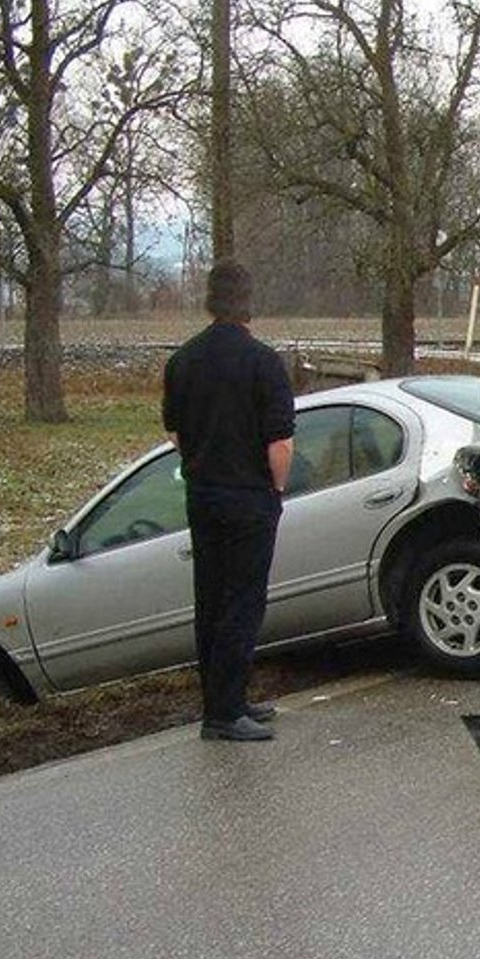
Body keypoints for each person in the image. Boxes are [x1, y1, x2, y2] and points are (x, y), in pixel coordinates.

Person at [162, 262, 295, 742]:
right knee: (243, 603)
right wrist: (276, 489)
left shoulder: (182, 361)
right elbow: (279, 443)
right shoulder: (263, 362)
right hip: (249, 498)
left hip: (202, 495)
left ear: (210, 301)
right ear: (248, 303)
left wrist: (205, 459)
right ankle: (224, 714)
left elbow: (174, 433)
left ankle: (223, 701)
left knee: (211, 602)